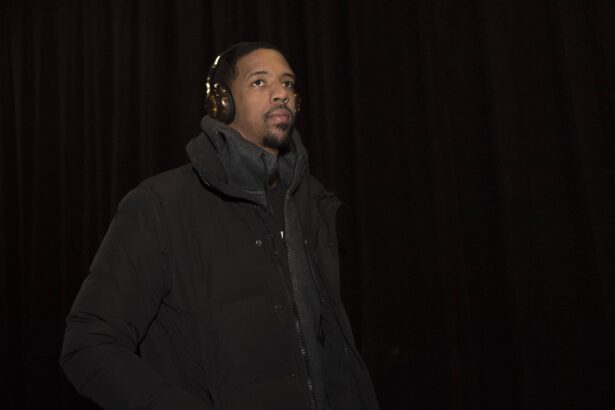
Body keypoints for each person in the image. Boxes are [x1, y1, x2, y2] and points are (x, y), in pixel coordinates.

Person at [60, 41, 379, 410]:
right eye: (259, 82)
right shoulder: (160, 205)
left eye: (288, 83)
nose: (281, 93)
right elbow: (89, 345)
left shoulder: (312, 204)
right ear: (221, 102)